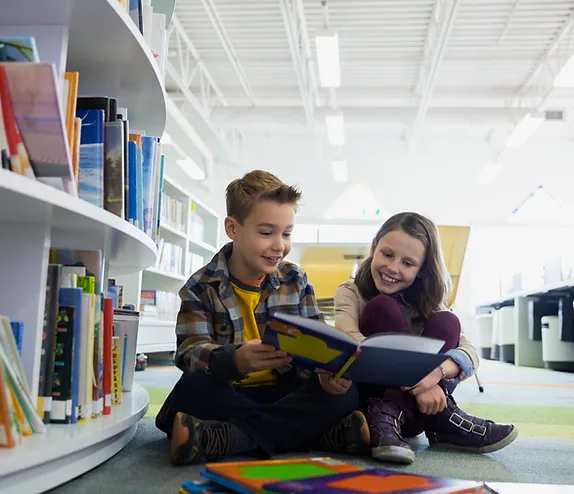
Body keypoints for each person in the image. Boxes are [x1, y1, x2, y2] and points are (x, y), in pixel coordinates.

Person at [155, 170, 370, 465]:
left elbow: (321, 341)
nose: (279, 245)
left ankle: (225, 438)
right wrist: (235, 360)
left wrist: (328, 372)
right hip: (228, 392)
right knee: (192, 390)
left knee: (345, 394)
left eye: (287, 233)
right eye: (266, 233)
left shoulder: (296, 279)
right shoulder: (200, 286)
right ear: (233, 228)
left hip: (284, 392)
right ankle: (318, 435)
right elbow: (189, 354)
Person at [334, 212, 518, 464]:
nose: (392, 268)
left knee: (447, 321)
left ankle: (436, 418)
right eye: (387, 254)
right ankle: (441, 419)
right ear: (374, 248)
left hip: (424, 405)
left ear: (421, 270)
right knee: (382, 307)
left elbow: (469, 351)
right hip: (372, 404)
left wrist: (435, 375)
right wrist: (417, 378)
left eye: (407, 263)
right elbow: (350, 341)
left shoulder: (428, 300)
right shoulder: (350, 291)